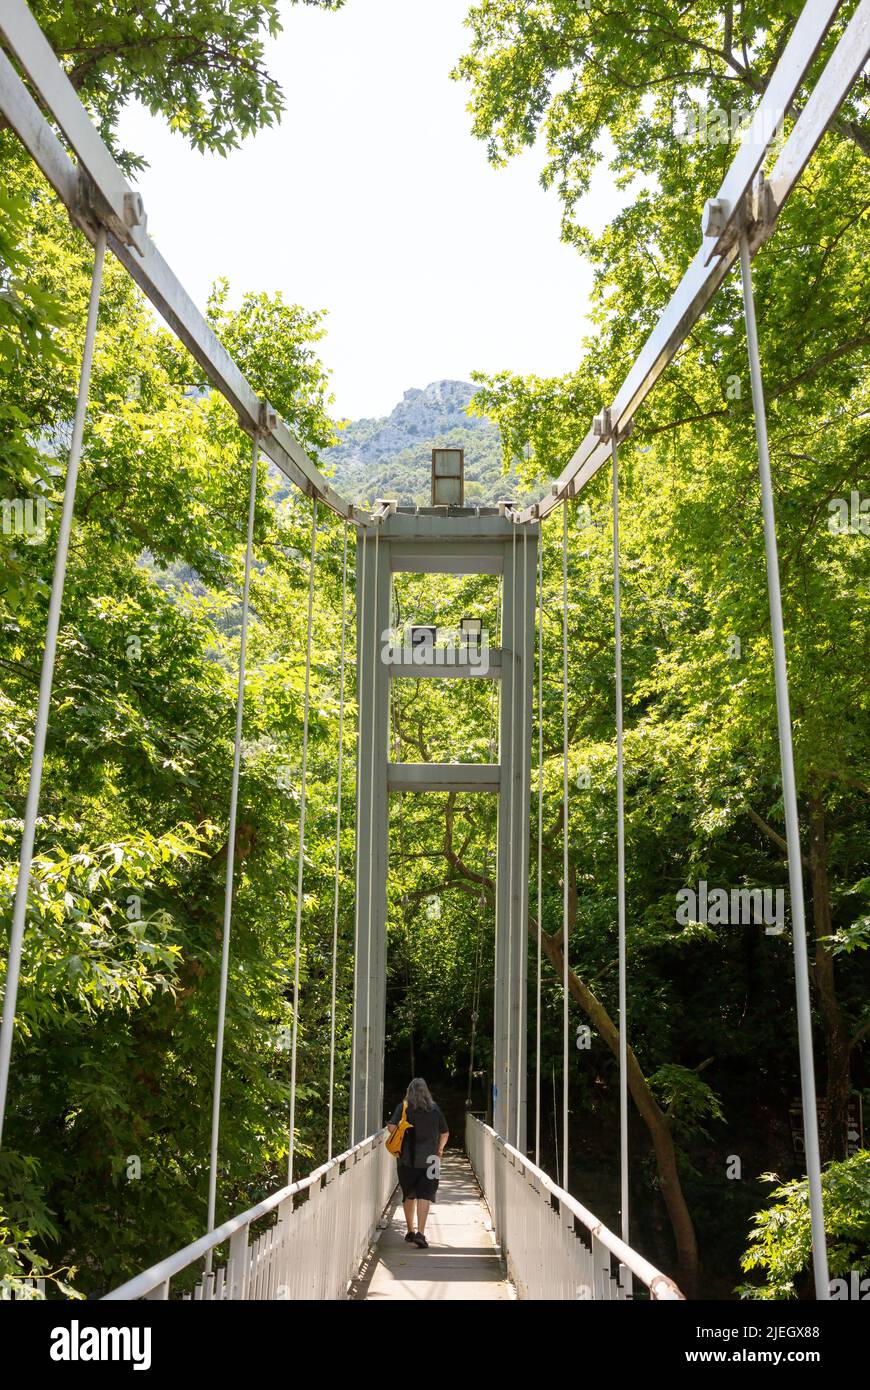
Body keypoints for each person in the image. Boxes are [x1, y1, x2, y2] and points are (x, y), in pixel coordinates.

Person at [386, 1077, 449, 1249]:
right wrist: (440, 1149)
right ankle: (421, 1232)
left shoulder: (404, 1108)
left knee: (409, 1194)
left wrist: (403, 1130)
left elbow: (391, 1128)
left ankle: (410, 1230)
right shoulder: (435, 1109)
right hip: (432, 1159)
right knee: (425, 1195)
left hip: (406, 1159)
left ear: (409, 1091)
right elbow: (445, 1133)